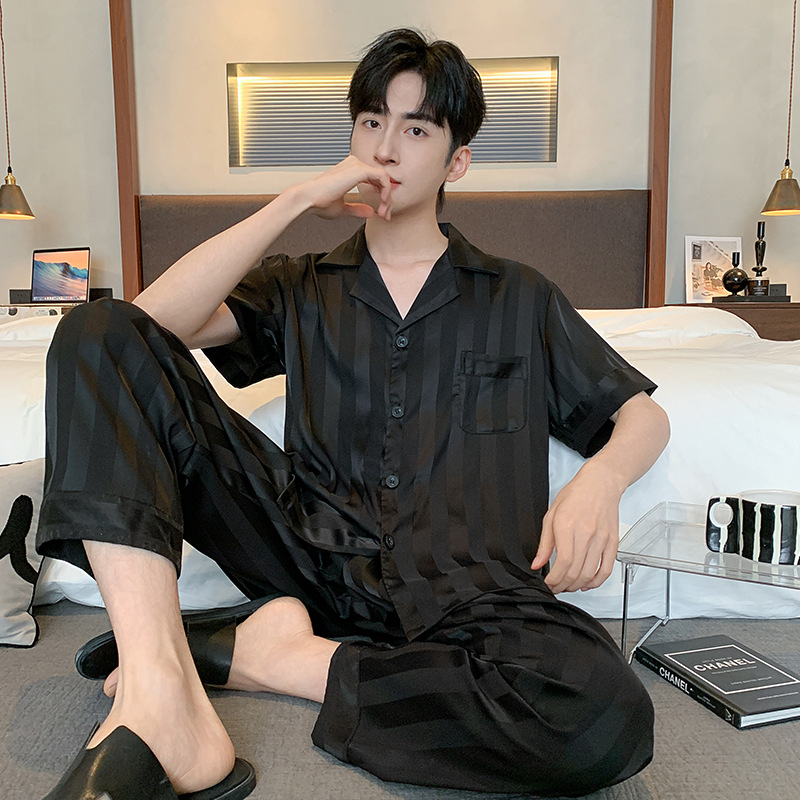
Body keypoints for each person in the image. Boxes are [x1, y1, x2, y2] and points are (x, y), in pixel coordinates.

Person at [37, 28, 670, 800]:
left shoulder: (520, 295)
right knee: (93, 328)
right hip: (307, 556)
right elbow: (143, 331)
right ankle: (158, 691)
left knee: (604, 716)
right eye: (372, 121)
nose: (386, 148)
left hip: (472, 586)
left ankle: (275, 657)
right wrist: (297, 202)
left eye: (417, 129)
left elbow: (642, 417)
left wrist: (599, 481)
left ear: (457, 161)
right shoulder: (301, 284)